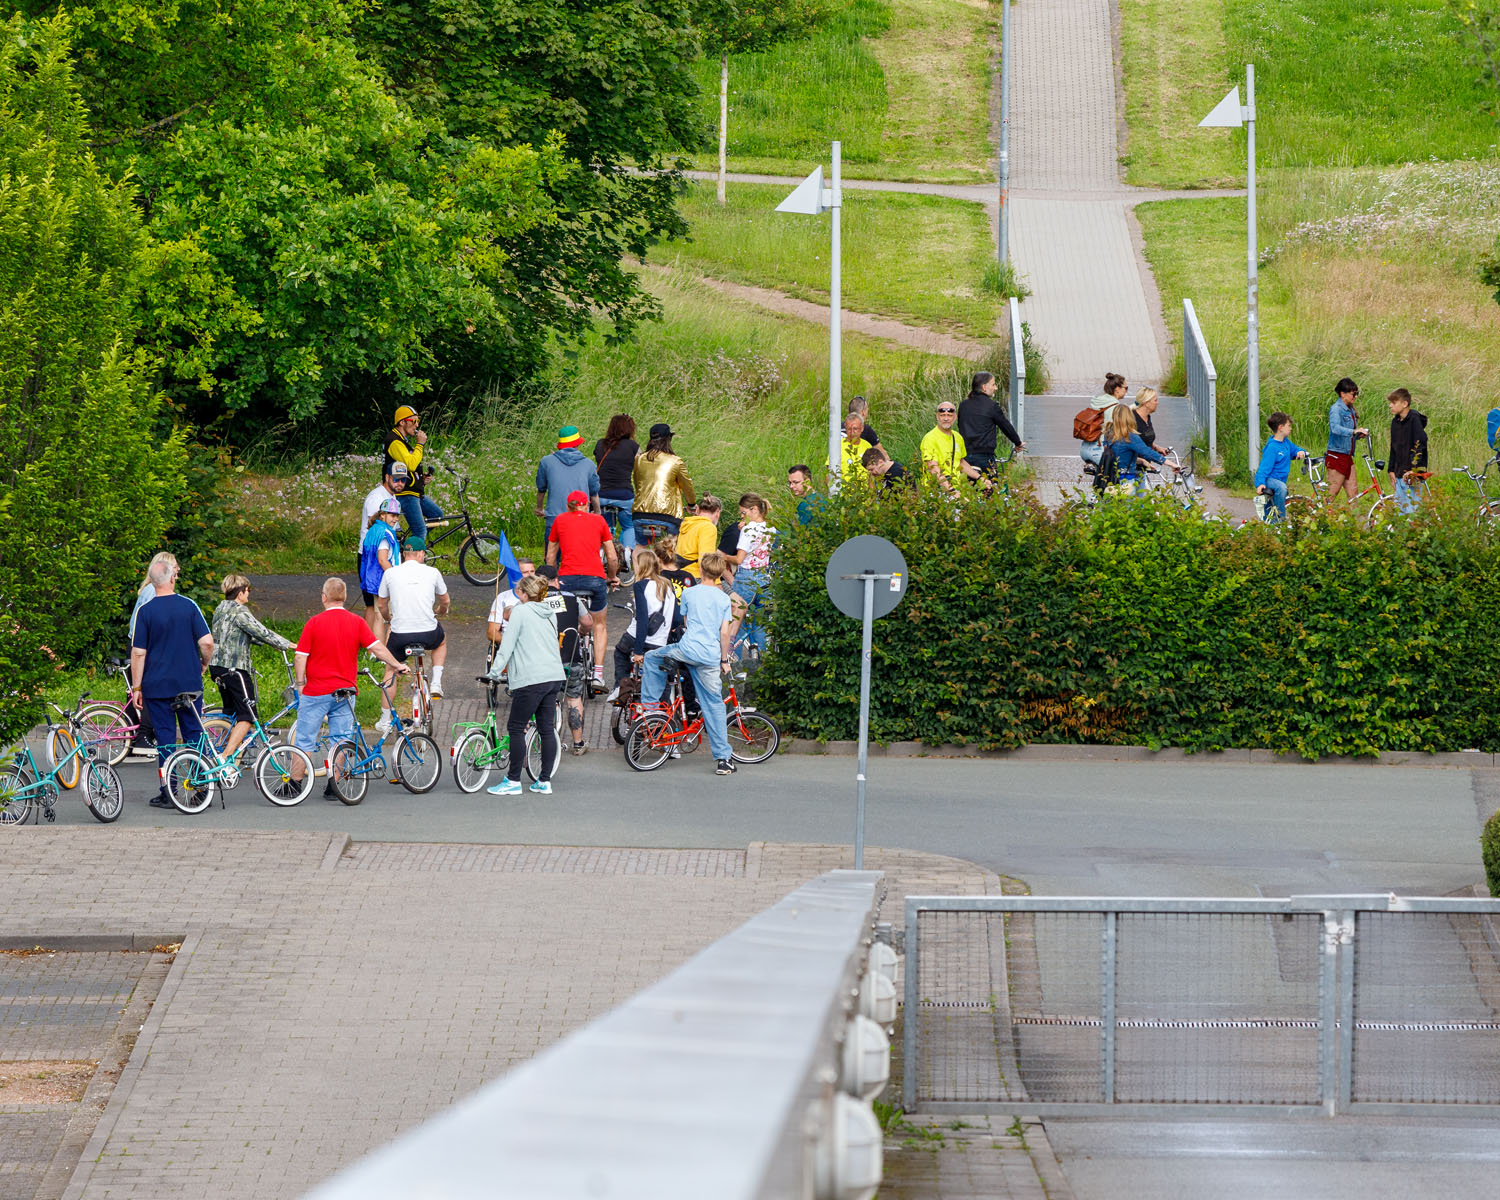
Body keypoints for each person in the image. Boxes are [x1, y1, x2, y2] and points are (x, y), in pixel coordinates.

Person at [292, 578, 408, 794]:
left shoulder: (314, 623)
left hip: (316, 691)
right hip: (345, 691)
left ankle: (294, 785)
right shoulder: (357, 622)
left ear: (324, 597)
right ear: (344, 598)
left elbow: (300, 657)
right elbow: (378, 649)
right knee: (341, 739)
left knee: (305, 739)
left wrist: (300, 684)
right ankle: (334, 786)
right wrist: (397, 664)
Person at [637, 551, 738, 776]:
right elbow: (724, 632)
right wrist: (724, 660)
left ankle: (650, 710)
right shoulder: (724, 598)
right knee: (714, 705)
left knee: (653, 658)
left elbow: (684, 622)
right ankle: (723, 759)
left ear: (701, 570)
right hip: (710, 657)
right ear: (721, 573)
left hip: (687, 650)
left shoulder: (690, 593)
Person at [131, 557, 214, 808]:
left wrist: (137, 687)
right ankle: (202, 787)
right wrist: (204, 663)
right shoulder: (189, 606)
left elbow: (138, 653)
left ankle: (169, 790)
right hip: (188, 682)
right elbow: (207, 641)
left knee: (165, 738)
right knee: (194, 733)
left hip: (157, 685)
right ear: (172, 577)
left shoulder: (145, 612)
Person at [484, 573, 564, 796]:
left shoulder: (520, 611)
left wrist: (493, 672)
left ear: (525, 594)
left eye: (518, 592)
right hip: (553, 675)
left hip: (531, 678)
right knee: (546, 728)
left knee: (516, 727)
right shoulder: (550, 613)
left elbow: (507, 645)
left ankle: (512, 780)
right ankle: (544, 780)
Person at [208, 573, 295, 762]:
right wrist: (288, 644)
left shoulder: (221, 608)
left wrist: (257, 641)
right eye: (248, 590)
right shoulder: (240, 611)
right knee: (248, 716)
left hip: (217, 668)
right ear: (240, 593)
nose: (249, 594)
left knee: (231, 713)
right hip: (234, 669)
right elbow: (261, 630)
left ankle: (220, 749)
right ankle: (225, 757)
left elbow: (238, 633)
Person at [375, 536, 450, 730]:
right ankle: (436, 682)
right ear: (421, 554)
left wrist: (388, 618)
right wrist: (440, 612)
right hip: (428, 632)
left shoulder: (390, 573)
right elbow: (445, 601)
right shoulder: (433, 572)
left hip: (400, 635)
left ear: (403, 554)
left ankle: (384, 720)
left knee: (391, 670)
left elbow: (382, 604)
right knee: (441, 642)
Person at [546, 489, 617, 690]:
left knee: (561, 622)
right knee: (599, 624)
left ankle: (560, 668)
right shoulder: (599, 521)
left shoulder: (559, 520)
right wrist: (611, 577)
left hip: (567, 580)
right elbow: (611, 557)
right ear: (586, 505)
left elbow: (550, 557)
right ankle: (598, 674)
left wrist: (554, 580)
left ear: (568, 506)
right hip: (594, 579)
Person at [536, 566, 595, 756]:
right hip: (571, 658)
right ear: (557, 580)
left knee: (545, 699)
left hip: (544, 660)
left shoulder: (535, 600)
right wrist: (582, 632)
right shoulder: (572, 598)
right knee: (574, 699)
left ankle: (544, 742)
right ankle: (578, 743)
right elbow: (587, 622)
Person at [126, 551, 177, 756]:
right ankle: (143, 737)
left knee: (137, 693)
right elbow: (149, 624)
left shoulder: (147, 590)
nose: (178, 569)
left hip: (141, 645)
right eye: (175, 566)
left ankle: (135, 739)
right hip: (144, 646)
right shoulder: (151, 593)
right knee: (148, 690)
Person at [612, 549, 677, 688]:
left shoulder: (641, 586)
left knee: (620, 653)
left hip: (638, 638)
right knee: (658, 676)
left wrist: (638, 651)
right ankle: (662, 705)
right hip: (660, 642)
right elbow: (674, 617)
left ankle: (620, 691)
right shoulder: (668, 586)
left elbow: (642, 620)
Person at [382, 406, 443, 539]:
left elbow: (407, 466)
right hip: (405, 492)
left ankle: (407, 545)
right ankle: (412, 556)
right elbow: (410, 464)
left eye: (418, 422)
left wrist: (421, 479)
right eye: (413, 421)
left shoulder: (403, 441)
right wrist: (420, 445)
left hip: (413, 491)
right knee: (420, 530)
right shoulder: (394, 441)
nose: (416, 425)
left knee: (436, 515)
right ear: (402, 422)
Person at [535, 426, 600, 542]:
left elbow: (541, 489)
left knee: (552, 557)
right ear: (577, 444)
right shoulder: (589, 464)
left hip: (555, 518)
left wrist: (539, 508)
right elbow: (594, 493)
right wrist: (597, 512)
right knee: (578, 555)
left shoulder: (546, 462)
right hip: (581, 518)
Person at [730, 495, 775, 659]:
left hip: (746, 578)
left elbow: (739, 559)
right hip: (764, 578)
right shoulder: (771, 528)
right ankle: (762, 666)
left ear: (753, 510)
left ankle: (733, 663)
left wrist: (721, 557)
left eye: (743, 513)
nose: (742, 517)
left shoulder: (748, 530)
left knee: (736, 621)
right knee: (760, 624)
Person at [632, 423, 695, 536]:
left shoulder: (639, 459)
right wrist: (691, 504)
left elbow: (637, 483)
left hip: (640, 514)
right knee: (672, 545)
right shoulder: (675, 461)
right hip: (668, 517)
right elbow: (687, 486)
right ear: (668, 439)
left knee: (640, 546)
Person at [958, 371, 1024, 475]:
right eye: (993, 384)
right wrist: (1018, 443)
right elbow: (1006, 426)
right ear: (984, 387)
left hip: (964, 457)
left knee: (968, 488)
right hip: (984, 458)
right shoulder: (991, 406)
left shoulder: (963, 405)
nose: (996, 388)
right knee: (990, 487)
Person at [357, 461, 408, 587]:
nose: (400, 483)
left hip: (385, 554)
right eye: (396, 479)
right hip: (372, 556)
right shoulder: (377, 498)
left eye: (403, 480)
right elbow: (376, 530)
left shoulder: (391, 496)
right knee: (376, 602)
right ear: (387, 477)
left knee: (381, 603)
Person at [594, 414, 639, 558]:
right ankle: (626, 551)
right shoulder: (633, 447)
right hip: (624, 495)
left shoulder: (600, 444)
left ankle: (602, 551)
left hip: (600, 495)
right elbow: (640, 464)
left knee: (604, 526)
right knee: (629, 525)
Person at [920, 401, 986, 496]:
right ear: (937, 416)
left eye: (949, 415)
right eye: (942, 415)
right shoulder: (930, 438)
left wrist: (980, 478)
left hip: (955, 487)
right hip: (936, 491)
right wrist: (951, 491)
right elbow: (932, 468)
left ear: (955, 417)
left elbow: (960, 462)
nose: (946, 418)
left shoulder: (958, 437)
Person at [1103, 404, 1173, 492]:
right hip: (1126, 480)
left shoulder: (1109, 433)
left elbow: (1119, 456)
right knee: (1132, 504)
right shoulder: (1130, 436)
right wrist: (1171, 464)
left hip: (1111, 479)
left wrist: (1142, 461)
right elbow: (1147, 452)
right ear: (1129, 417)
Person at [359, 498, 403, 637]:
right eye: (392, 515)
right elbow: (383, 560)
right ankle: (388, 653)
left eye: (397, 515)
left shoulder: (373, 530)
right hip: (384, 581)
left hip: (374, 580)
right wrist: (395, 578)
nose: (395, 519)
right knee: (392, 619)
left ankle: (376, 653)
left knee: (379, 616)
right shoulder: (385, 534)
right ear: (383, 514)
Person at [1254, 412, 1308, 521]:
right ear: (1280, 428)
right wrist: (1260, 483)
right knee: (1281, 489)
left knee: (1269, 508)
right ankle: (1280, 519)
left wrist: (1300, 452)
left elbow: (1295, 449)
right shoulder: (1272, 447)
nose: (1290, 428)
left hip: (1280, 480)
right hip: (1270, 479)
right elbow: (1263, 469)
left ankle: (1268, 526)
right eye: (1288, 426)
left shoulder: (1286, 443)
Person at [1324, 378, 1369, 503]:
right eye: (1353, 394)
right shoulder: (1336, 409)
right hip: (1337, 456)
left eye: (1356, 393)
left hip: (1347, 455)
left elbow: (1347, 432)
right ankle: (1317, 518)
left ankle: (1356, 521)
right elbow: (1335, 428)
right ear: (1343, 394)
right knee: (1331, 494)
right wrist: (1353, 432)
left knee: (1354, 494)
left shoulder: (1350, 409)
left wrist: (1357, 435)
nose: (1355, 397)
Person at [487, 557, 537, 665]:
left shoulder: (542, 596)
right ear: (517, 574)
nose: (530, 576)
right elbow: (492, 632)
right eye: (525, 572)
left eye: (532, 571)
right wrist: (510, 643)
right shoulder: (502, 598)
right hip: (511, 644)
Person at [1387, 388, 1429, 514]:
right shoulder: (1395, 422)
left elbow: (1420, 444)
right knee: (1400, 511)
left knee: (1412, 511)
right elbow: (1393, 447)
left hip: (1412, 474)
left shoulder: (1414, 420)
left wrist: (1414, 469)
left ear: (1405, 404)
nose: (1390, 406)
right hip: (1399, 472)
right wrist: (1391, 469)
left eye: (1394, 403)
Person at [1081, 373, 1128, 466]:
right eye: (1126, 388)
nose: (1126, 391)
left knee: (1102, 478)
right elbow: (1115, 433)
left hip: (1085, 448)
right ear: (1117, 389)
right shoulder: (1115, 407)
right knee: (1120, 473)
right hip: (1099, 450)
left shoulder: (1098, 402)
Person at [676, 495, 723, 578]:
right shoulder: (708, 527)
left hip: (680, 573)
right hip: (696, 575)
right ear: (718, 512)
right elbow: (705, 559)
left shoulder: (687, 524)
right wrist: (715, 582)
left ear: (697, 510)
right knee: (728, 591)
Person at [832, 413, 873, 483]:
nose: (852, 432)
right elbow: (829, 474)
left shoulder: (867, 446)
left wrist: (872, 492)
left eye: (855, 429)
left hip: (864, 492)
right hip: (843, 492)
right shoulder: (837, 446)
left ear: (862, 428)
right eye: (849, 429)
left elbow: (871, 474)